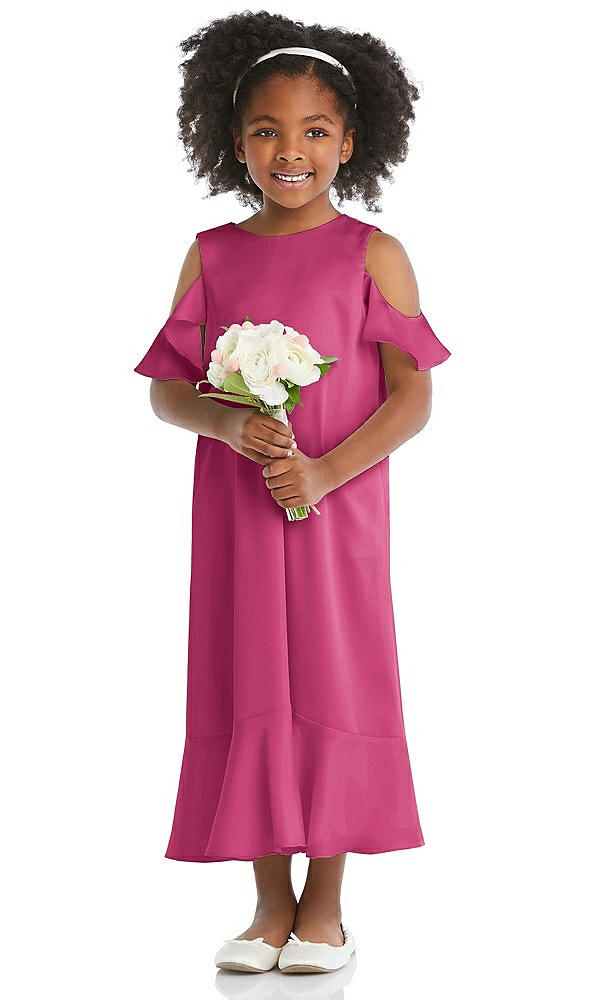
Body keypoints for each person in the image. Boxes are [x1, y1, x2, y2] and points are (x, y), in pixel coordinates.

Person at [133, 12, 451, 975]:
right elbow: (166, 390)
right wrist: (228, 424)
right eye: (267, 130)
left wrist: (323, 471)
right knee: (248, 675)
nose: (290, 151)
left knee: (331, 676)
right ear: (235, 142)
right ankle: (268, 904)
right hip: (236, 512)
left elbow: (413, 395)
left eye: (315, 131)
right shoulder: (212, 254)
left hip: (335, 511)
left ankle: (327, 910)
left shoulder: (372, 253)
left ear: (350, 143)